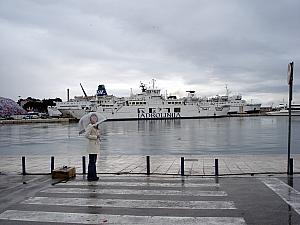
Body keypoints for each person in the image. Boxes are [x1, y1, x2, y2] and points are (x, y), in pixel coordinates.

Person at [84, 114, 100, 181]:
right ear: (90, 119)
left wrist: (98, 135)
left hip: (95, 146)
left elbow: (96, 135)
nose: (94, 119)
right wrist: (95, 137)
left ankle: (94, 175)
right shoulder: (90, 126)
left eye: (95, 118)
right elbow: (86, 135)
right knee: (91, 162)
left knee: (94, 162)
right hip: (92, 146)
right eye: (93, 118)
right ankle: (90, 176)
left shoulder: (95, 126)